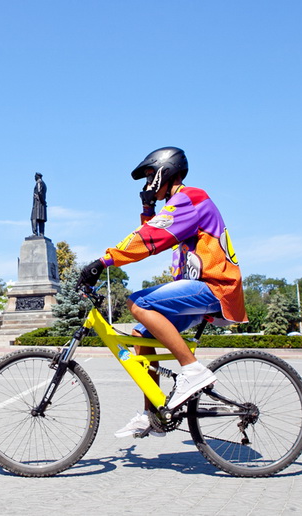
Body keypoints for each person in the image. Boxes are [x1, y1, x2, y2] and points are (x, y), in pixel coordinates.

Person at [77, 147, 247, 439]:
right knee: (141, 335)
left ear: (164, 171)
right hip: (203, 288)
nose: (146, 183)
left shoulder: (192, 198)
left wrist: (102, 262)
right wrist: (147, 210)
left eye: (148, 175)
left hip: (214, 285)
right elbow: (156, 235)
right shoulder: (181, 204)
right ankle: (152, 413)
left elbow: (150, 238)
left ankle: (192, 370)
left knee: (138, 302)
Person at [31, 172, 47, 236]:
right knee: (41, 219)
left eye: (35, 176)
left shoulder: (39, 182)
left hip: (38, 204)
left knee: (33, 218)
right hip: (41, 204)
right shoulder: (44, 183)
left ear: (38, 176)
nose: (34, 178)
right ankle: (41, 233)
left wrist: (42, 201)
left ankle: (35, 233)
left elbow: (39, 192)